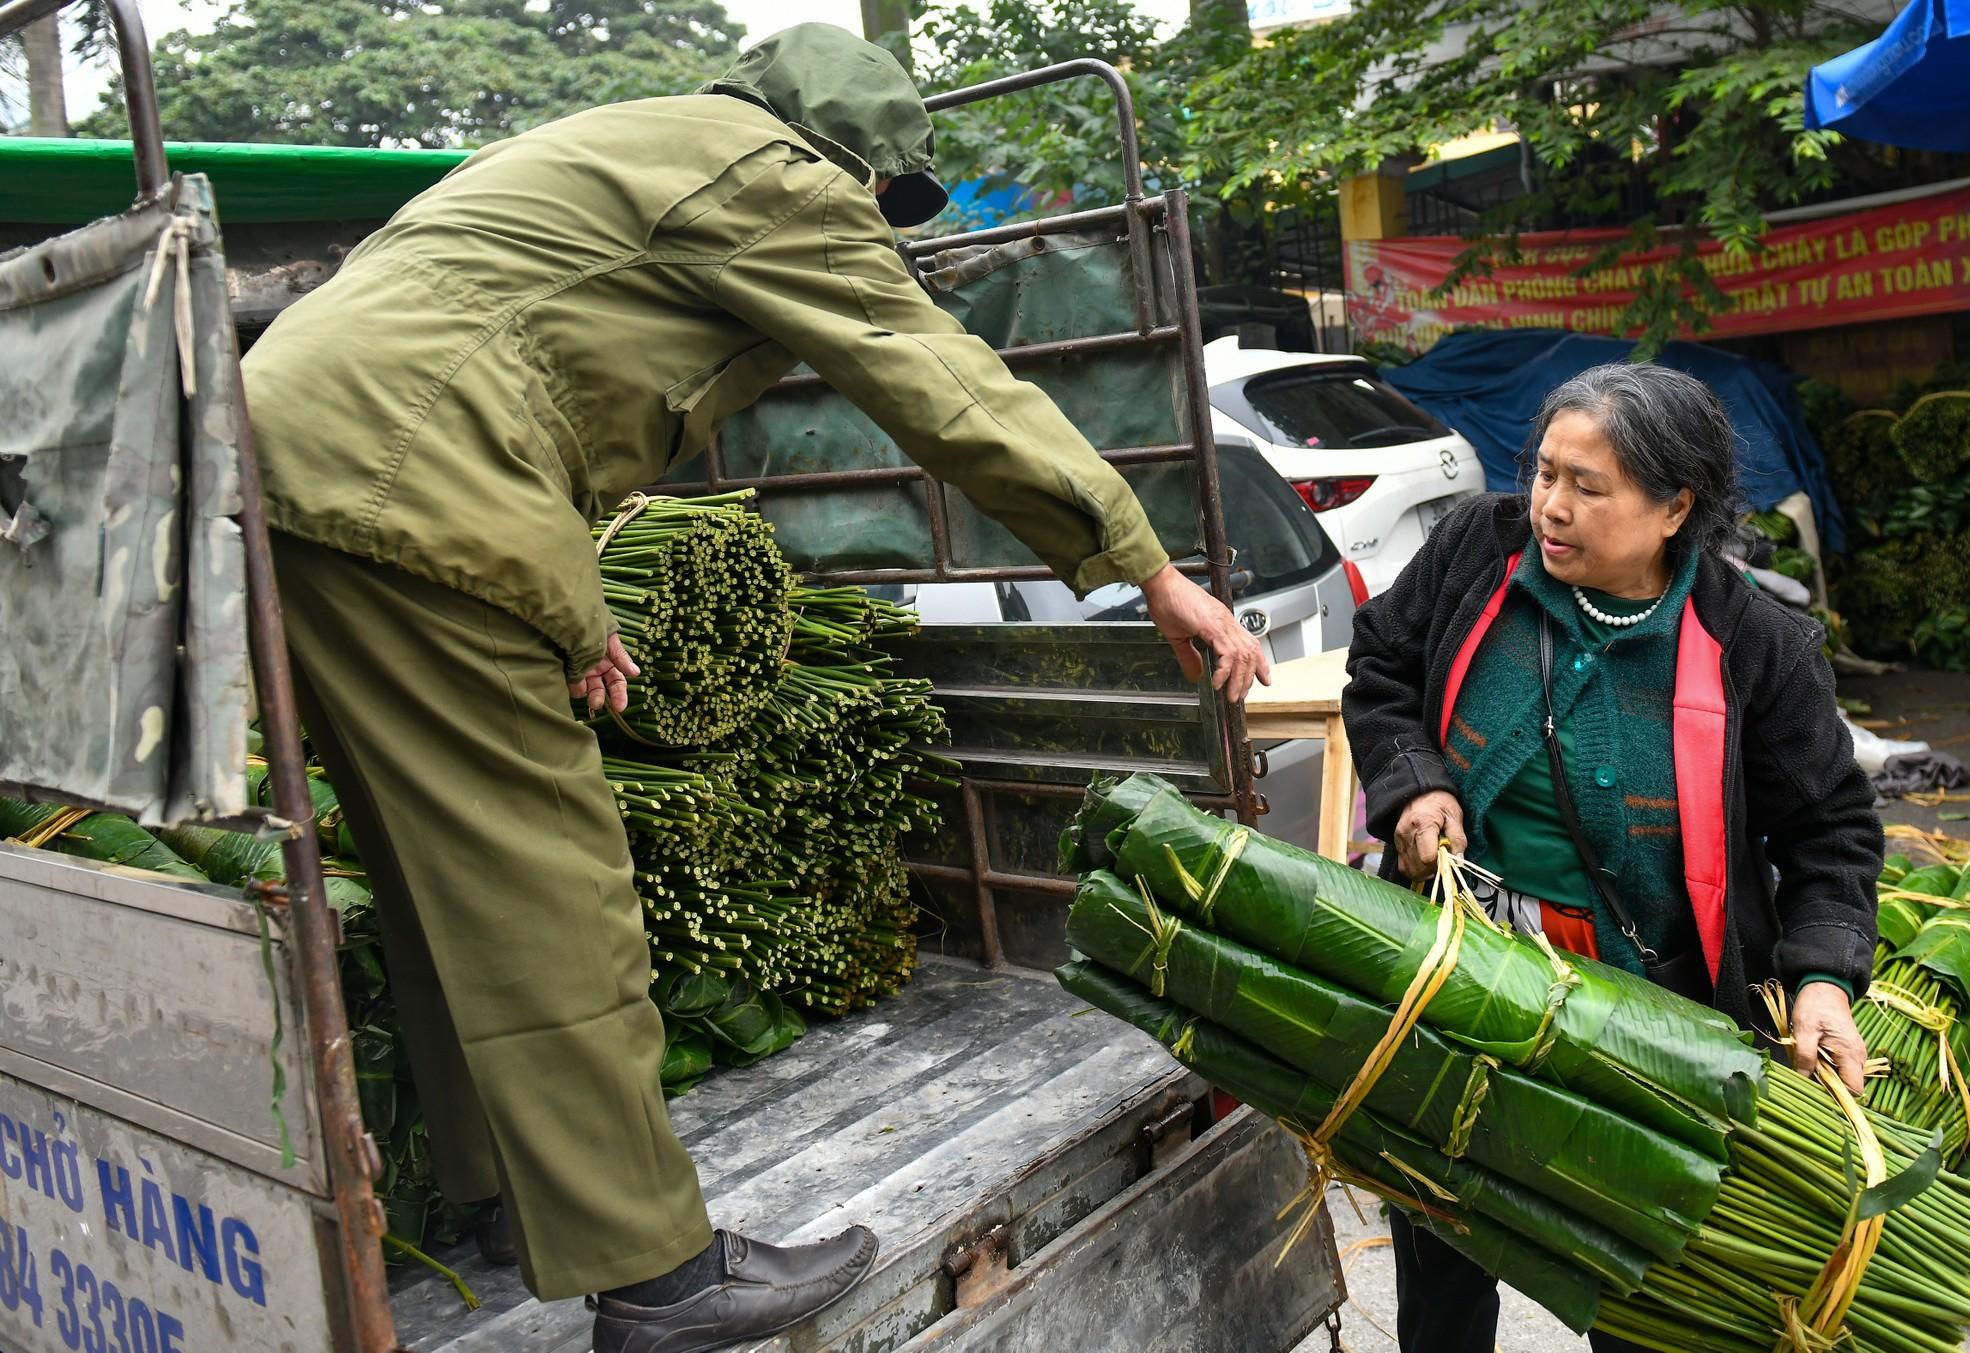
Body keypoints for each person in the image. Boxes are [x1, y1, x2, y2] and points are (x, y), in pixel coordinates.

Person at [239, 24, 1268, 1353]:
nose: (876, 230)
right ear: (850, 156)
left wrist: (564, 593)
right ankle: (659, 1273)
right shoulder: (768, 172)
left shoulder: (628, 147)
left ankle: (508, 1194)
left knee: (450, 871)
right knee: (551, 875)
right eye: (885, 204)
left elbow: (514, 372)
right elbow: (941, 382)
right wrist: (1145, 564)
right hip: (413, 475)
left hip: (310, 471)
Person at [1341, 363, 1878, 1353]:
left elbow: (1827, 832)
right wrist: (1413, 782)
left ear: (1674, 506)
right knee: (1440, 1243)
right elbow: (1379, 663)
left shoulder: (1753, 641)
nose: (1549, 505)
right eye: (1544, 472)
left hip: (1650, 1019)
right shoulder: (1475, 552)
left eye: (1586, 487)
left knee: (1638, 1279)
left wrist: (1819, 978)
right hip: (1453, 979)